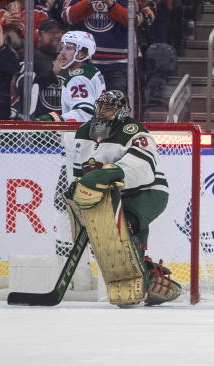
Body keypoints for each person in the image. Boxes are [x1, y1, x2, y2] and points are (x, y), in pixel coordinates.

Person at [66, 89, 181, 306]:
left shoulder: (134, 130)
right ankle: (147, 277)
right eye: (100, 107)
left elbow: (144, 167)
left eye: (108, 108)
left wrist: (114, 172)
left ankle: (145, 280)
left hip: (147, 191)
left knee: (122, 227)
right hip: (111, 196)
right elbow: (78, 171)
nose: (102, 112)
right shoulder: (82, 132)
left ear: (121, 111)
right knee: (106, 236)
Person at [62, 0, 130, 93]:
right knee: (84, 108)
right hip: (85, 62)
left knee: (113, 109)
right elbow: (67, 17)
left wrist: (111, 4)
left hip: (116, 64)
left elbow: (132, 21)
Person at [36, 30, 106, 123]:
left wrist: (58, 119)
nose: (62, 52)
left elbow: (85, 111)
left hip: (82, 134)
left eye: (68, 48)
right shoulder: (91, 70)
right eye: (62, 47)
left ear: (82, 54)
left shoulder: (78, 78)